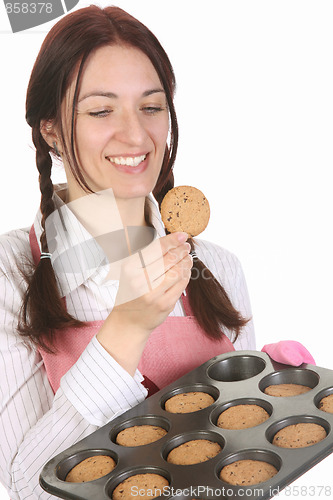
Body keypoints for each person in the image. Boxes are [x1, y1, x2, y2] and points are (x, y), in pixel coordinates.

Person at [0, 5, 314, 499]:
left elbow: (244, 475)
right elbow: (26, 488)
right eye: (102, 110)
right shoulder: (10, 272)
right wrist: (127, 326)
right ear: (51, 129)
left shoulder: (219, 268)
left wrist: (276, 400)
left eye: (151, 106)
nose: (135, 135)